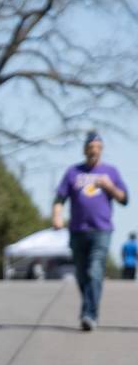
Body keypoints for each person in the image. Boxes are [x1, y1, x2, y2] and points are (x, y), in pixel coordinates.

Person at [53, 131, 128, 329]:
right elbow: (60, 198)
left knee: (95, 271)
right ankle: (89, 308)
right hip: (77, 230)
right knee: (81, 273)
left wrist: (109, 186)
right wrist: (57, 217)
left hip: (101, 230)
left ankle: (89, 314)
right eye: (91, 148)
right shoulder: (73, 172)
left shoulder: (111, 172)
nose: (94, 152)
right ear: (85, 150)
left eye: (98, 148)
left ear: (101, 150)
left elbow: (124, 199)